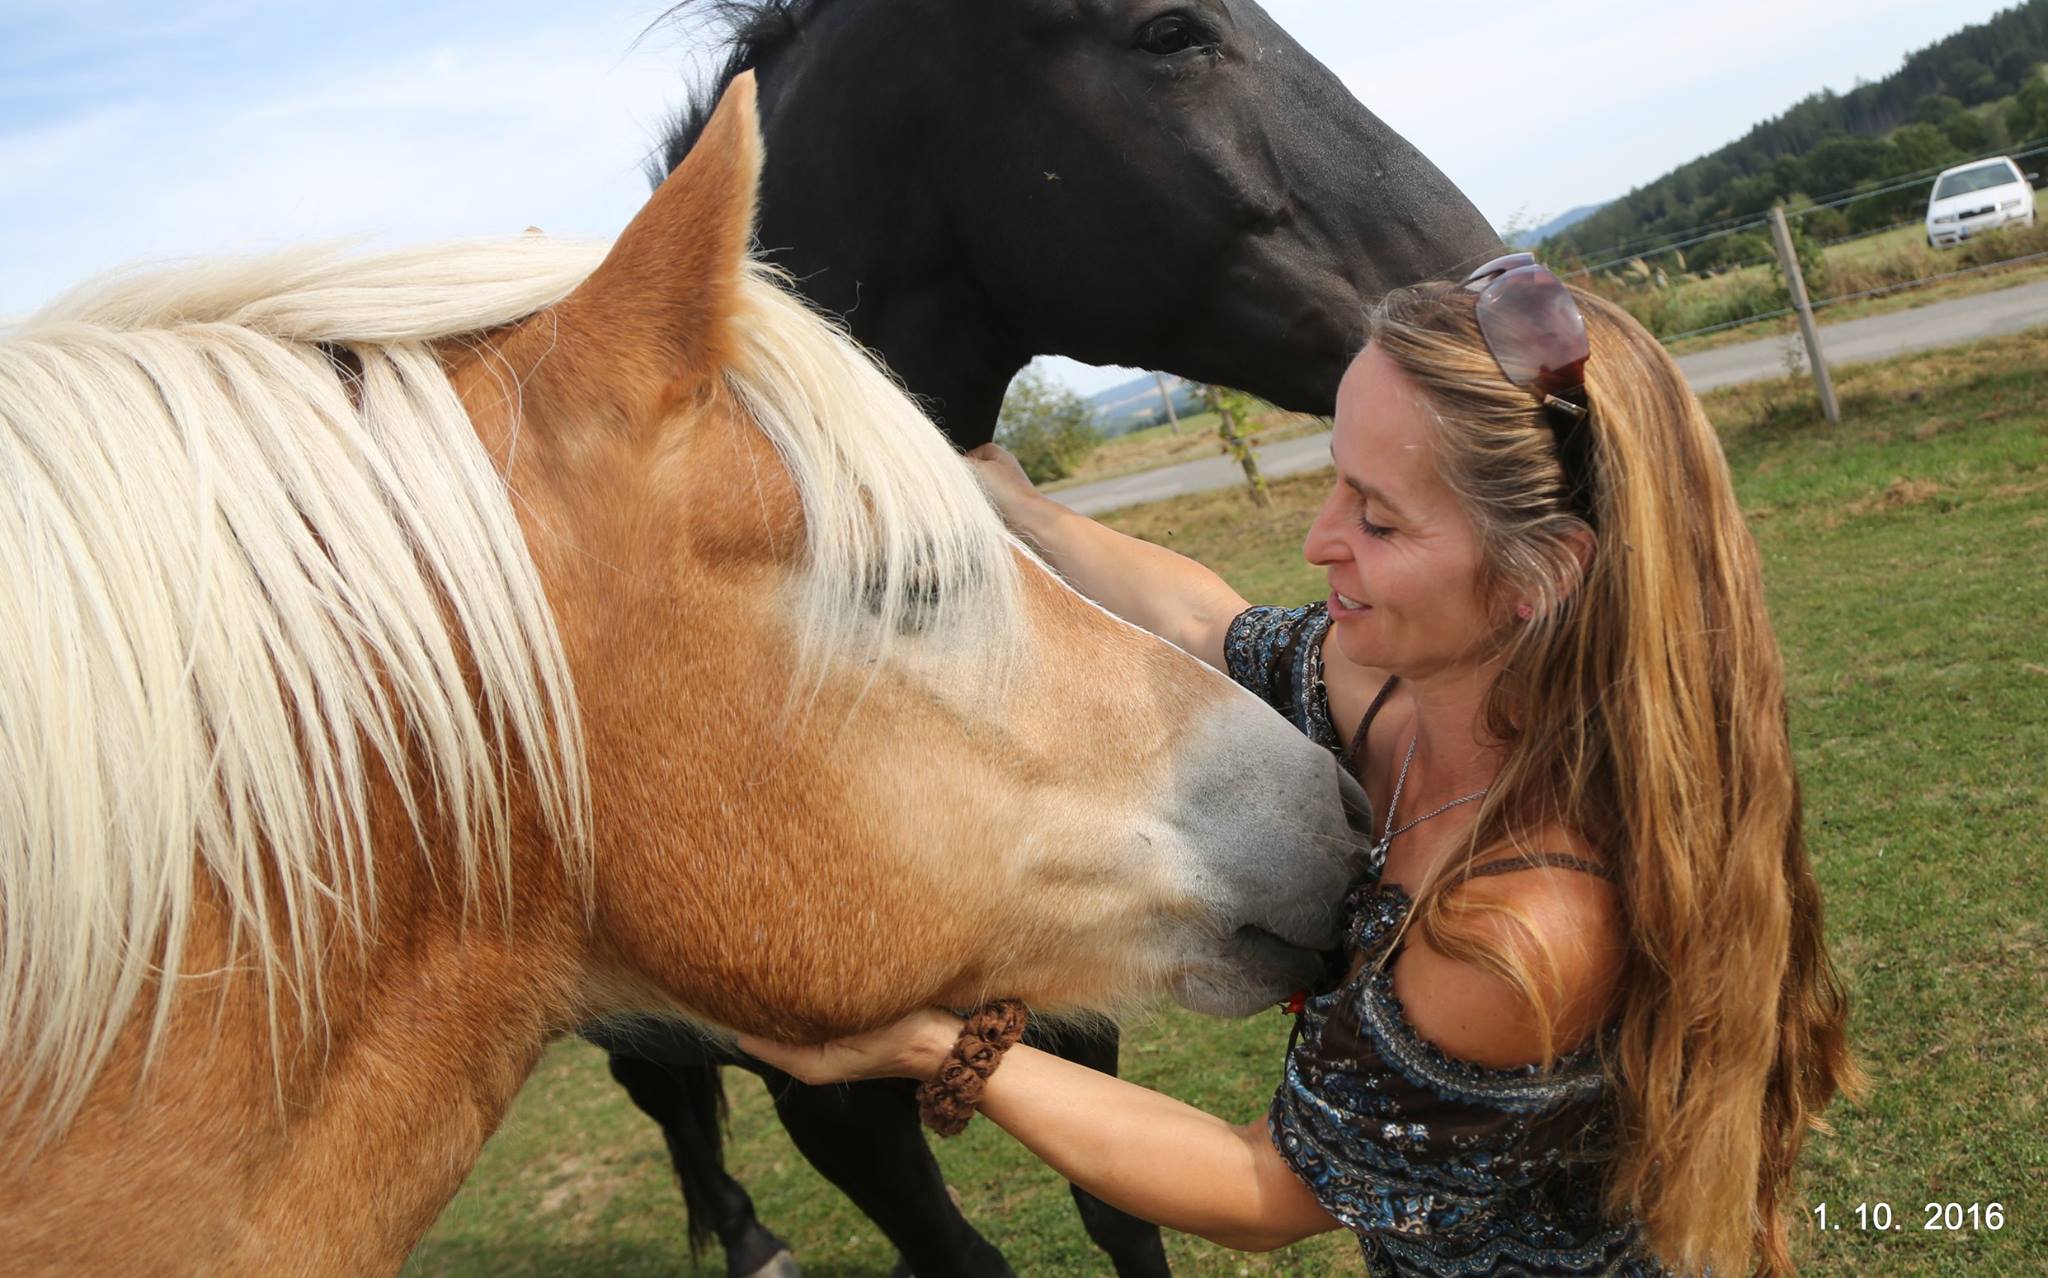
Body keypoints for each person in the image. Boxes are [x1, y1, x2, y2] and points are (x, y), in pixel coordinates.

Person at [739, 256, 1857, 1277]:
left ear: (1540, 574)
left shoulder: (1516, 928)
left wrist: (934, 1045)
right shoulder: (1403, 698)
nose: (1320, 539)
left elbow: (1263, 1188)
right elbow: (1201, 619)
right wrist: (1014, 506)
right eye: (1336, 480)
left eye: (1378, 520)